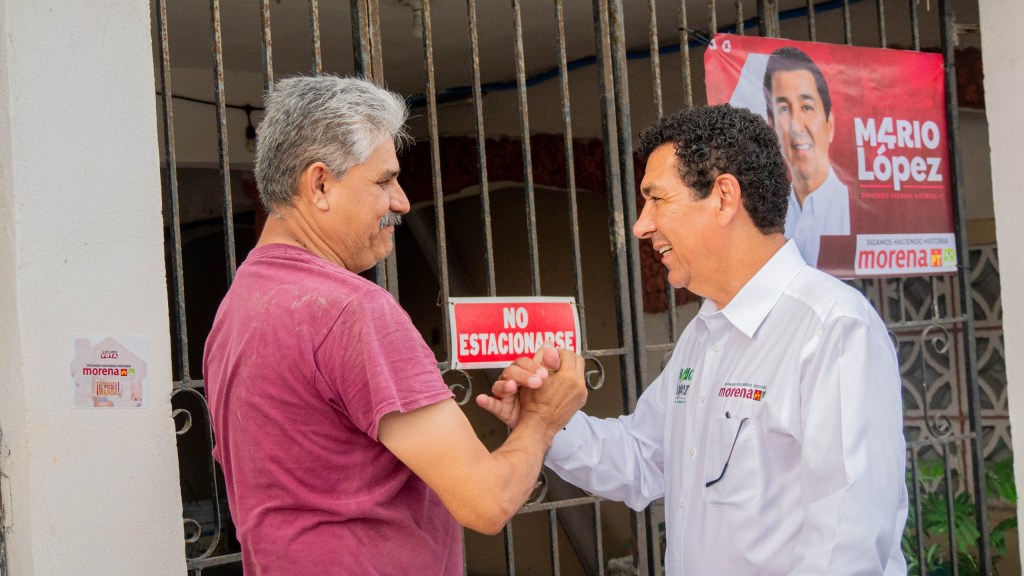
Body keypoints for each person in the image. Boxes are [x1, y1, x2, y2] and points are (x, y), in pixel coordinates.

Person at [479, 104, 908, 575]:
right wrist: (547, 420)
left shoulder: (832, 329)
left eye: (657, 199)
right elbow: (644, 458)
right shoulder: (706, 333)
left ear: (724, 197)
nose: (641, 225)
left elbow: (846, 544)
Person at [202, 75, 587, 575]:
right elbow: (487, 502)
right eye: (384, 180)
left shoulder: (238, 306)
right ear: (319, 184)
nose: (402, 201)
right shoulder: (353, 309)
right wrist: (541, 419)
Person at [764, 46, 851, 267]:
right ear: (771, 126)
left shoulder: (852, 207)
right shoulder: (769, 214)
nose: (796, 126)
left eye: (807, 107)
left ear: (829, 124)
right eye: (784, 109)